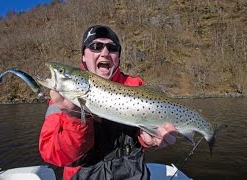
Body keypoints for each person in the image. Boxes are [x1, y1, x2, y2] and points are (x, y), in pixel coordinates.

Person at [39, 25, 177, 180]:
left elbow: (143, 133)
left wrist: (149, 141)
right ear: (83, 55)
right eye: (96, 47)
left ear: (118, 56)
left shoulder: (135, 86)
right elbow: (53, 154)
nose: (105, 53)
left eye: (112, 48)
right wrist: (76, 118)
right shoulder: (62, 98)